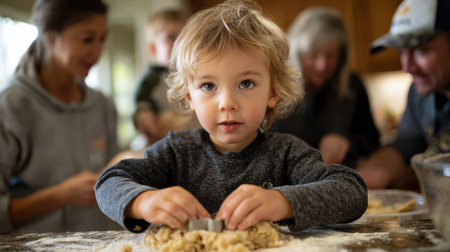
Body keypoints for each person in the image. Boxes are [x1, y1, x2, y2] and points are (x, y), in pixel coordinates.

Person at [95, 0, 367, 233]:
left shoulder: (287, 154)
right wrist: (144, 202)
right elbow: (108, 182)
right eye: (208, 86)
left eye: (246, 84)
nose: (227, 103)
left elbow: (352, 191)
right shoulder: (176, 153)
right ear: (189, 98)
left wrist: (282, 201)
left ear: (273, 92)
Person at [0, 0, 120, 233]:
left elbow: (116, 182)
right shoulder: (11, 106)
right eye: (87, 39)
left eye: (102, 39)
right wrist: (59, 196)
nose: (97, 51)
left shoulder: (102, 105)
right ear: (49, 36)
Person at [356, 0, 450, 189]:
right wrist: (351, 181)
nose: (407, 68)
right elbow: (403, 149)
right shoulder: (419, 94)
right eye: (401, 52)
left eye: (420, 50)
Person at [275, 7, 379, 168]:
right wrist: (286, 148)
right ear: (298, 53)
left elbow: (372, 139)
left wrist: (348, 142)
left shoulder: (353, 85)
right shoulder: (276, 86)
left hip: (339, 178)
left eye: (330, 55)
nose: (322, 65)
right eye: (313, 54)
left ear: (341, 55)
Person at [131, 9, 199, 150]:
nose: (180, 44)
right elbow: (142, 103)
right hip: (164, 142)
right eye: (172, 37)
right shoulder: (152, 79)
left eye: (185, 38)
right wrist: (144, 114)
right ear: (153, 48)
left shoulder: (197, 74)